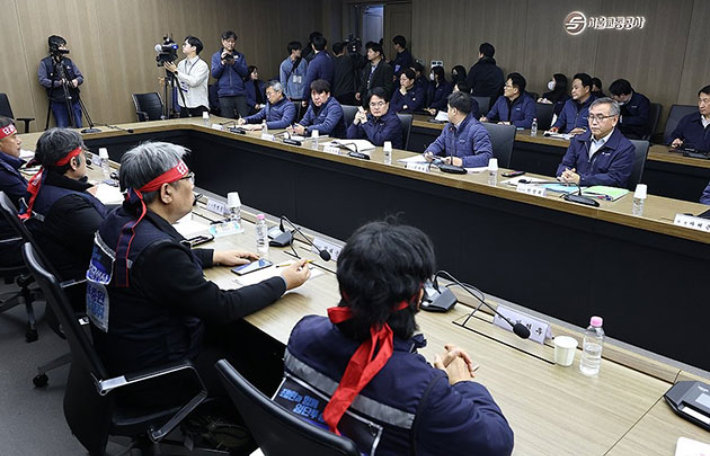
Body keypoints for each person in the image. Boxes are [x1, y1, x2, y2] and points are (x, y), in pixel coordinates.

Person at [86, 141, 310, 401]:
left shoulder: (118, 220)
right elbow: (222, 306)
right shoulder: (160, 253)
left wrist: (213, 256)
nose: (192, 185)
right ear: (166, 192)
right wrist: (283, 281)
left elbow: (150, 263)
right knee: (271, 358)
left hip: (123, 352)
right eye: (187, 178)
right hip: (163, 375)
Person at [283, 219, 515, 456]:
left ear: (343, 284)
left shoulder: (304, 332)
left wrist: (425, 378)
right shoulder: (424, 393)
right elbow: (497, 445)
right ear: (419, 297)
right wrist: (463, 383)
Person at [21, 128, 107, 309]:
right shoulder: (70, 207)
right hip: (89, 285)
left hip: (67, 261)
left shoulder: (44, 186)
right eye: (84, 155)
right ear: (74, 163)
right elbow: (110, 246)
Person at [556, 98, 635, 188]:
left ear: (614, 120)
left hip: (604, 194)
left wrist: (581, 180)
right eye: (591, 117)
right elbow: (565, 164)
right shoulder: (579, 139)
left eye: (600, 117)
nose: (594, 122)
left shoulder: (625, 148)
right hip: (573, 189)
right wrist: (564, 174)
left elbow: (615, 178)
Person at [423, 91, 493, 168]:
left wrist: (462, 162)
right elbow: (438, 143)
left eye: (448, 109)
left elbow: (485, 158)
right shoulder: (449, 127)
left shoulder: (478, 130)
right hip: (450, 170)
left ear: (454, 111)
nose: (447, 112)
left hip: (468, 172)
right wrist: (430, 152)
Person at [38, 35, 84, 128]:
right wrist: (58, 83)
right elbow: (42, 80)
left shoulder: (68, 61)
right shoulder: (45, 63)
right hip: (57, 100)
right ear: (54, 47)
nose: (65, 48)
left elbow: (80, 77)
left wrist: (76, 81)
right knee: (62, 128)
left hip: (73, 99)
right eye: (62, 46)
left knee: (78, 125)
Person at [0, 118, 27, 268]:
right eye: (13, 137)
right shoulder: (3, 173)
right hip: (11, 243)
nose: (19, 141)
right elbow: (31, 198)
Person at [165, 36, 209, 118]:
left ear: (194, 48)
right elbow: (180, 82)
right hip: (184, 105)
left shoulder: (202, 65)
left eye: (185, 44)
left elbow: (194, 82)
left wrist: (176, 71)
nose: (183, 46)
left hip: (198, 105)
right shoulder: (181, 64)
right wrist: (169, 83)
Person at [210, 31, 249, 119]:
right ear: (222, 41)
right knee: (227, 120)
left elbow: (245, 73)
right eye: (228, 41)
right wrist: (222, 63)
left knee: (244, 119)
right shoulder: (216, 56)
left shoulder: (240, 56)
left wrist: (234, 63)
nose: (230, 44)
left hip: (239, 93)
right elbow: (214, 74)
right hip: (224, 94)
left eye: (233, 41)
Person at [670, 85, 710, 152]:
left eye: (705, 101)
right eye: (700, 100)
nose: (701, 105)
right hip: (686, 156)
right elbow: (673, 137)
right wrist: (674, 141)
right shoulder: (688, 119)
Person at [301, 34, 335, 108]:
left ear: (313, 46)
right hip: (329, 95)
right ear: (325, 46)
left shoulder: (314, 62)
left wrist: (305, 98)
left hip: (317, 98)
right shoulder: (330, 60)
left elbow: (308, 81)